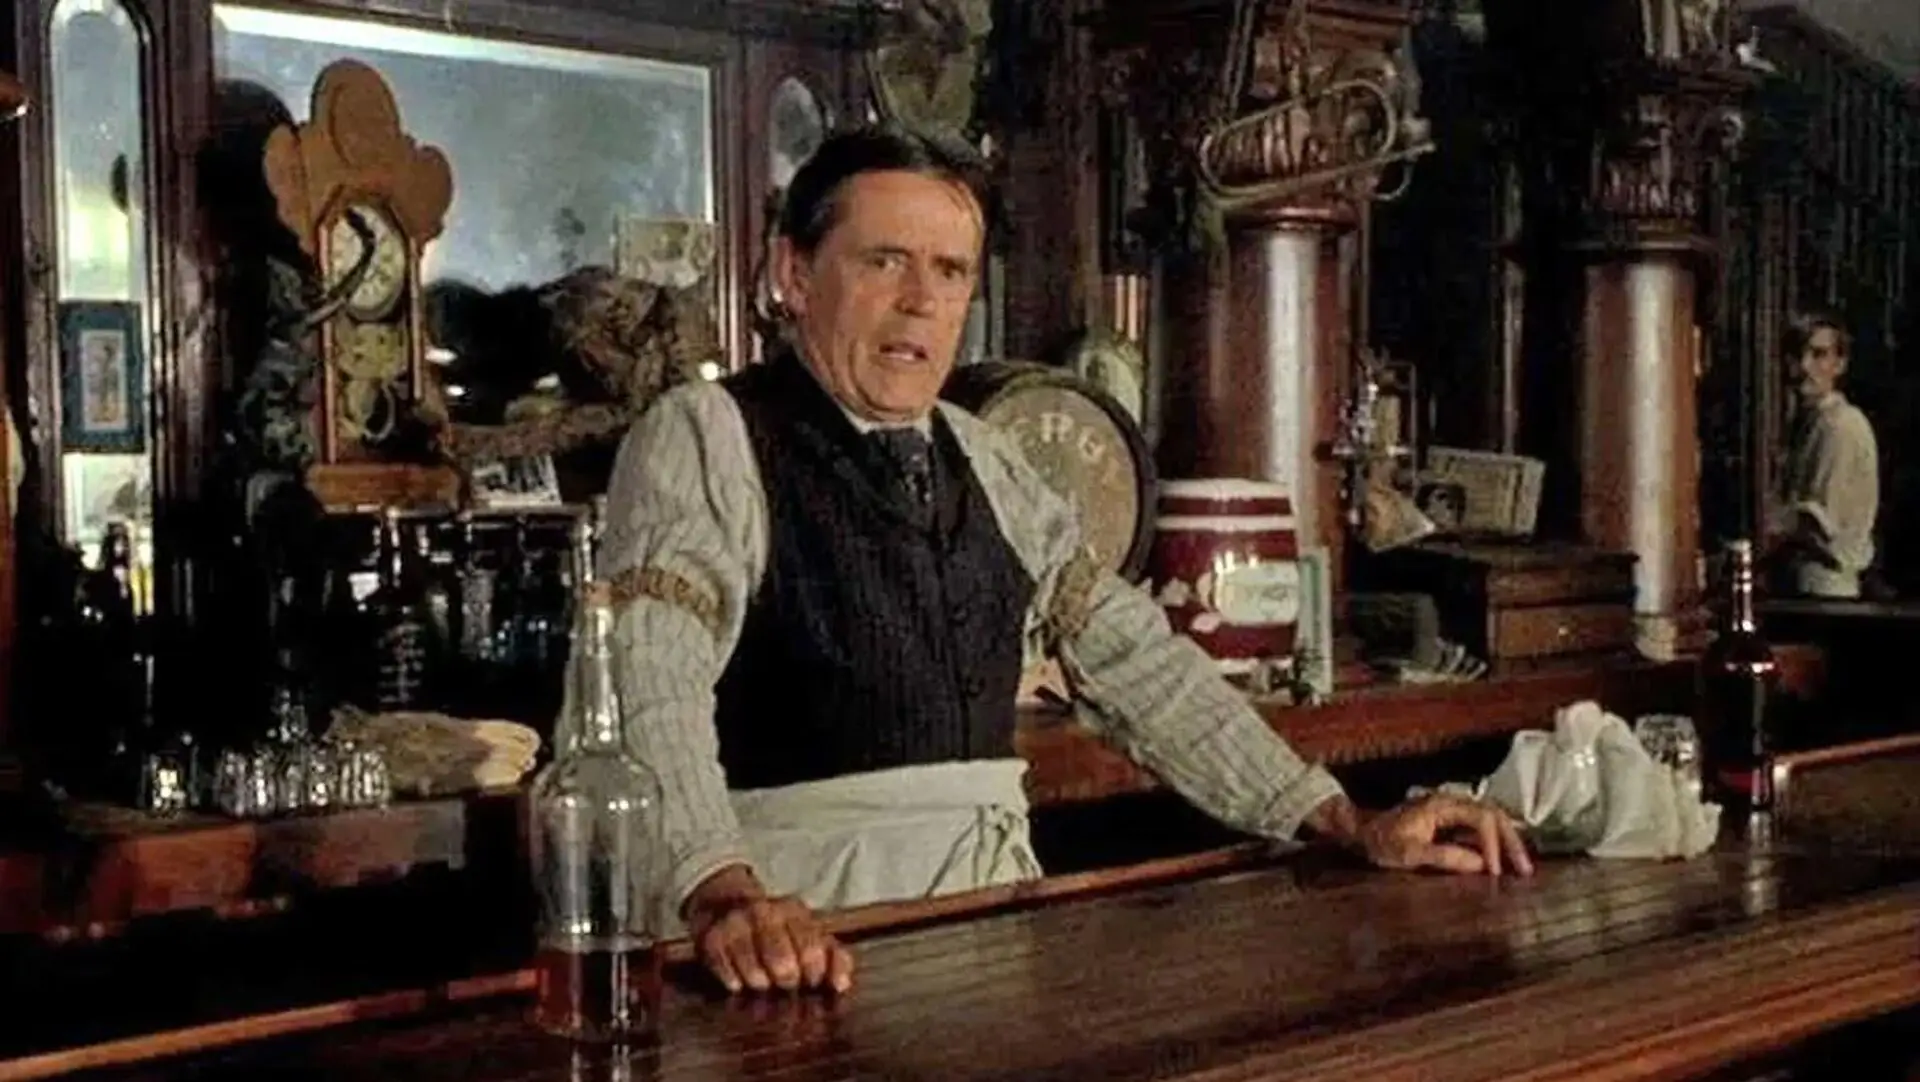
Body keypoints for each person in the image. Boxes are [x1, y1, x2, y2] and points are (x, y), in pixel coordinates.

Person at [598, 127, 1531, 998]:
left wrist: (1340, 819)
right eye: (883, 262)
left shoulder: (986, 456)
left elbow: (1140, 664)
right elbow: (647, 686)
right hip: (790, 947)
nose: (921, 300)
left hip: (980, 929)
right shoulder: (706, 436)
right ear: (793, 274)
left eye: (949, 271)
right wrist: (721, 892)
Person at [1769, 312, 1879, 598]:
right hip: (1802, 581)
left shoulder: (1839, 425)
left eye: (1819, 355)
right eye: (1797, 355)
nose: (1805, 366)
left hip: (1823, 584)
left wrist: (1772, 524)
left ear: (1839, 364)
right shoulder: (1809, 424)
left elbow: (1820, 524)